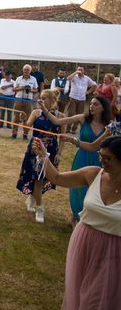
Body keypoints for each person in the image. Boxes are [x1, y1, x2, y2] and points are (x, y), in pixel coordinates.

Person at [32, 136, 121, 310]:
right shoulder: (93, 174)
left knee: (101, 300)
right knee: (79, 293)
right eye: (100, 156)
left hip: (114, 250)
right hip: (85, 242)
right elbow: (57, 178)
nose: (102, 161)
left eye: (108, 158)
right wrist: (44, 156)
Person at [40, 95, 111, 223]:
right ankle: (76, 217)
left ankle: (91, 216)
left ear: (103, 108)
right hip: (82, 157)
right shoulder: (83, 118)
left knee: (96, 189)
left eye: (95, 104)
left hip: (99, 160)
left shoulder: (108, 126)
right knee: (78, 188)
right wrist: (44, 109)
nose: (91, 106)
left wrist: (72, 140)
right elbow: (57, 121)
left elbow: (95, 146)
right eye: (91, 103)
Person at [15, 89, 64, 223]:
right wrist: (24, 120)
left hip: (51, 149)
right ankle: (40, 208)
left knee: (43, 179)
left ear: (52, 100)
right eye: (40, 98)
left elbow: (63, 138)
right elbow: (26, 130)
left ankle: (32, 198)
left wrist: (59, 153)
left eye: (44, 98)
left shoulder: (60, 116)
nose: (41, 100)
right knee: (37, 177)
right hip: (35, 149)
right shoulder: (36, 113)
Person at [65, 66, 97, 134]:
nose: (80, 71)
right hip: (73, 97)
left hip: (82, 98)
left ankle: (74, 129)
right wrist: (76, 72)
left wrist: (88, 92)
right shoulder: (74, 76)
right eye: (78, 69)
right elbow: (68, 79)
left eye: (81, 69)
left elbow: (94, 85)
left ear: (84, 71)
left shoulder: (86, 78)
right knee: (71, 113)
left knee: (79, 114)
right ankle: (67, 128)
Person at [12, 64, 38, 140]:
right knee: (16, 117)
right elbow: (13, 89)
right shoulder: (18, 78)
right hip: (18, 99)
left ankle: (25, 134)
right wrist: (21, 88)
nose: (26, 71)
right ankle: (14, 132)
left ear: (30, 71)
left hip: (28, 100)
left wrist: (30, 90)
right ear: (23, 70)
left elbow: (36, 90)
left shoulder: (33, 79)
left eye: (28, 70)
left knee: (26, 118)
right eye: (25, 69)